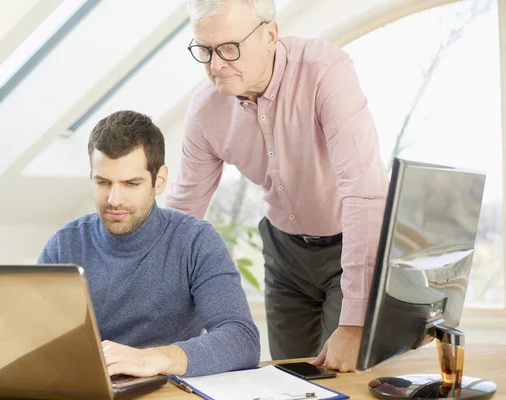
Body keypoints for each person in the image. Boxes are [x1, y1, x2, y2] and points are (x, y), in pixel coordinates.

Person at [166, 0, 388, 372]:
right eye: (204, 50)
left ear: (270, 35)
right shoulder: (205, 109)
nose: (215, 65)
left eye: (229, 49)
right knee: (291, 377)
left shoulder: (325, 72)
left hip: (350, 244)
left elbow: (363, 191)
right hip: (285, 255)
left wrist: (355, 321)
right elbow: (182, 211)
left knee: (343, 376)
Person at [38, 110, 260, 377]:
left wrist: (152, 359)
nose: (114, 200)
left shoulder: (195, 241)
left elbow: (242, 339)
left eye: (131, 183)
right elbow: (32, 337)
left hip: (166, 389)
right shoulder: (65, 245)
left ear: (159, 180)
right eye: (103, 182)